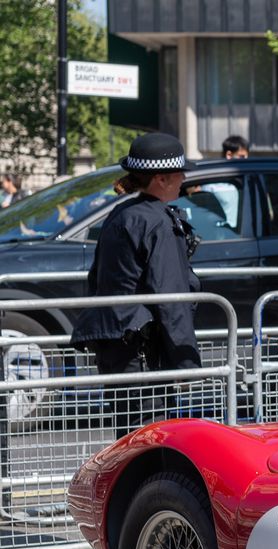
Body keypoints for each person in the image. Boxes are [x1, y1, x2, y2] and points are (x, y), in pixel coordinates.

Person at [70, 133, 201, 437]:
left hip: (118, 343)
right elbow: (171, 295)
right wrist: (187, 362)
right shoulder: (156, 222)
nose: (184, 179)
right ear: (161, 179)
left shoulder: (123, 213)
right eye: (179, 173)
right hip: (142, 351)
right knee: (150, 439)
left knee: (128, 438)